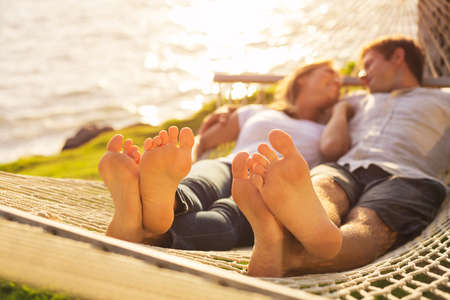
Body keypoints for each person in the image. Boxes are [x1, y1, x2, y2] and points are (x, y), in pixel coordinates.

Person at [232, 35, 450, 277]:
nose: (362, 76)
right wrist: (341, 110)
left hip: (407, 176)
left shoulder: (443, 99)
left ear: (398, 57)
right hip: (347, 166)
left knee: (367, 222)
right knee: (323, 186)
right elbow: (331, 147)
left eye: (369, 64)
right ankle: (306, 231)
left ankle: (285, 250)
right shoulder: (356, 101)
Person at [98, 60, 348, 250]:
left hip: (268, 184)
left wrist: (340, 112)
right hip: (227, 164)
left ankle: (141, 223)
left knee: (225, 219)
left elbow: (334, 149)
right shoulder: (254, 111)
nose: (337, 83)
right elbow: (204, 140)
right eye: (330, 75)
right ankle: (165, 199)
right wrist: (184, 160)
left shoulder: (330, 130)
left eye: (340, 81)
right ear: (302, 79)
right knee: (197, 182)